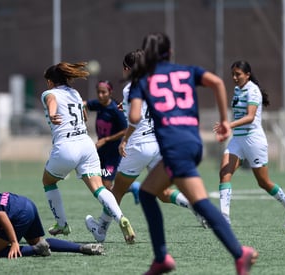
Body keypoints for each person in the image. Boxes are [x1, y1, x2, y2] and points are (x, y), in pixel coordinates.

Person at [128, 32, 258, 275]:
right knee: (146, 193)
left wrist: (138, 90)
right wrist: (224, 121)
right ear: (170, 52)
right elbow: (218, 83)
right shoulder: (188, 71)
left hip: (175, 147)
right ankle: (161, 258)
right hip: (191, 142)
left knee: (200, 203)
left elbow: (134, 117)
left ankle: (240, 254)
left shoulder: (143, 80)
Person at [85, 50, 207, 243]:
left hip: (139, 146)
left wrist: (124, 140)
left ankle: (101, 229)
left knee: (116, 191)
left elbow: (136, 118)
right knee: (163, 192)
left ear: (126, 69)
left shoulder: (129, 88)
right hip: (158, 144)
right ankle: (194, 205)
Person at [41, 62, 135, 244]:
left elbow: (52, 102)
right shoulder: (74, 93)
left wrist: (53, 114)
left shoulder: (49, 93)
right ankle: (120, 217)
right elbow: (83, 115)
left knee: (48, 181)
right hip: (86, 144)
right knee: (99, 188)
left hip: (66, 146)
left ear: (51, 81)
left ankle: (62, 224)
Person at [216, 60, 285, 227]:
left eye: (238, 74)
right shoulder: (236, 89)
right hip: (237, 140)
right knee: (224, 173)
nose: (234, 77)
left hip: (253, 140)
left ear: (247, 75)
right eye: (233, 74)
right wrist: (228, 129)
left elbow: (250, 117)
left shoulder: (253, 91)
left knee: (263, 182)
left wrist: (228, 125)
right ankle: (224, 217)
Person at [84, 80, 127, 190]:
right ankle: (132, 188)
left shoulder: (116, 110)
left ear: (110, 92)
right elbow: (83, 104)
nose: (100, 95)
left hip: (113, 152)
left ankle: (109, 206)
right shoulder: (98, 104)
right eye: (98, 92)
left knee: (106, 183)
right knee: (98, 181)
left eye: (103, 92)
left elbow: (125, 130)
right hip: (101, 150)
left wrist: (106, 139)